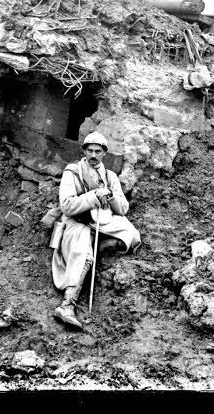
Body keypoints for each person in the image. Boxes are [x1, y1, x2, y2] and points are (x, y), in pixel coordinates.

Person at [50, 132, 141, 330]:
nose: (93, 155)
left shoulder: (110, 176)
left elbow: (123, 210)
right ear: (83, 151)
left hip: (102, 221)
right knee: (83, 255)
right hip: (78, 222)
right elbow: (66, 206)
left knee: (132, 235)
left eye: (97, 151)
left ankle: (98, 247)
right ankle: (67, 305)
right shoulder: (73, 171)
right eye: (89, 150)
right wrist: (92, 197)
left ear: (104, 153)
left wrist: (110, 196)